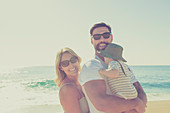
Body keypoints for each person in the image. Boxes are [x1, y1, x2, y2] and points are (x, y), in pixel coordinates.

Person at [79, 22, 147, 113]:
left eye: (106, 35)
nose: (102, 39)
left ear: (111, 37)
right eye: (97, 37)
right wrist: (137, 104)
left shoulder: (123, 65)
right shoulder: (91, 66)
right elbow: (102, 104)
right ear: (92, 41)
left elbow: (140, 91)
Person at [54, 47, 89, 113]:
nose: (71, 65)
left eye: (73, 60)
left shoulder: (84, 80)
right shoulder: (67, 89)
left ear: (78, 60)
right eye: (65, 63)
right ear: (61, 68)